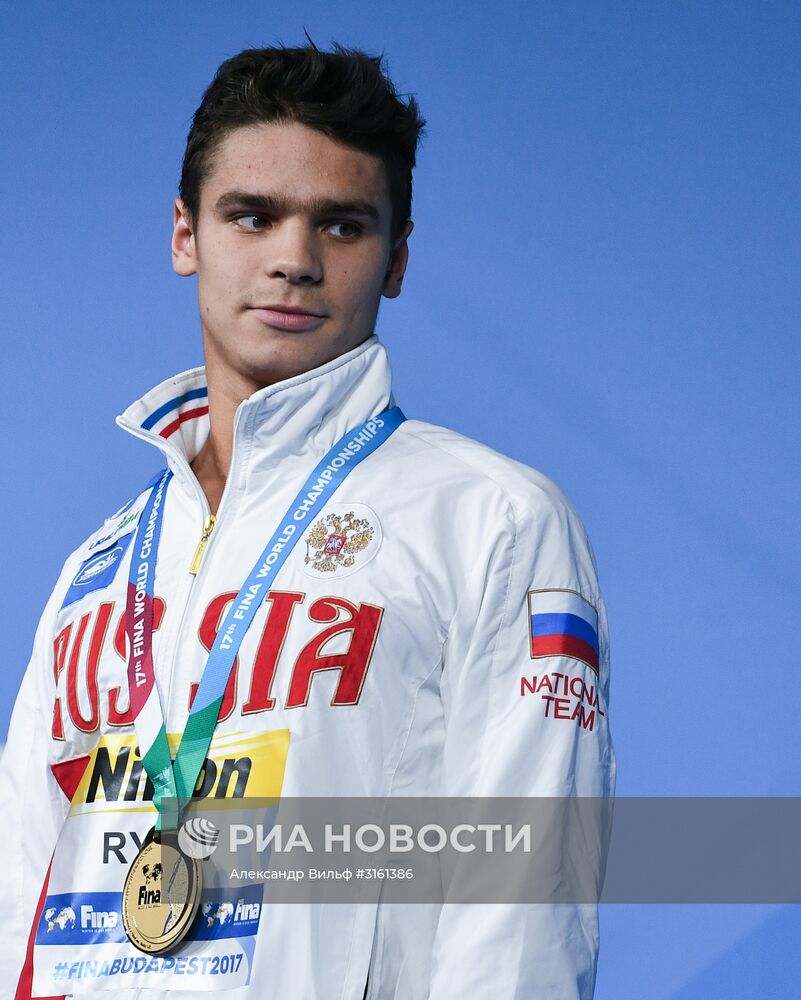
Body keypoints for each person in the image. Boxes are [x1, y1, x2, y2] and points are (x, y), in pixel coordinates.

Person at [0, 42, 616, 999]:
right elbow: (19, 889)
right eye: (253, 216)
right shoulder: (99, 566)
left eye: (341, 225)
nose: (294, 259)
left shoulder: (494, 521)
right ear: (185, 234)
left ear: (396, 259)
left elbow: (521, 904)